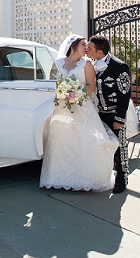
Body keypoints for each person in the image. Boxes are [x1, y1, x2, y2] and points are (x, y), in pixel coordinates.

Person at [40, 34, 119, 192]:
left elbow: (91, 85)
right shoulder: (58, 63)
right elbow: (52, 84)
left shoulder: (86, 64)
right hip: (61, 107)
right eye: (84, 45)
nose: (87, 48)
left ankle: (84, 178)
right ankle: (57, 177)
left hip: (81, 107)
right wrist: (62, 94)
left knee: (83, 140)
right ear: (74, 46)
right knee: (60, 141)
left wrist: (76, 96)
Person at [86, 34, 132, 194]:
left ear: (99, 52)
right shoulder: (90, 64)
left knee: (120, 148)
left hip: (113, 115)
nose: (87, 49)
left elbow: (125, 94)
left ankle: (122, 179)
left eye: (90, 48)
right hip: (97, 114)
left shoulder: (119, 66)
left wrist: (119, 118)